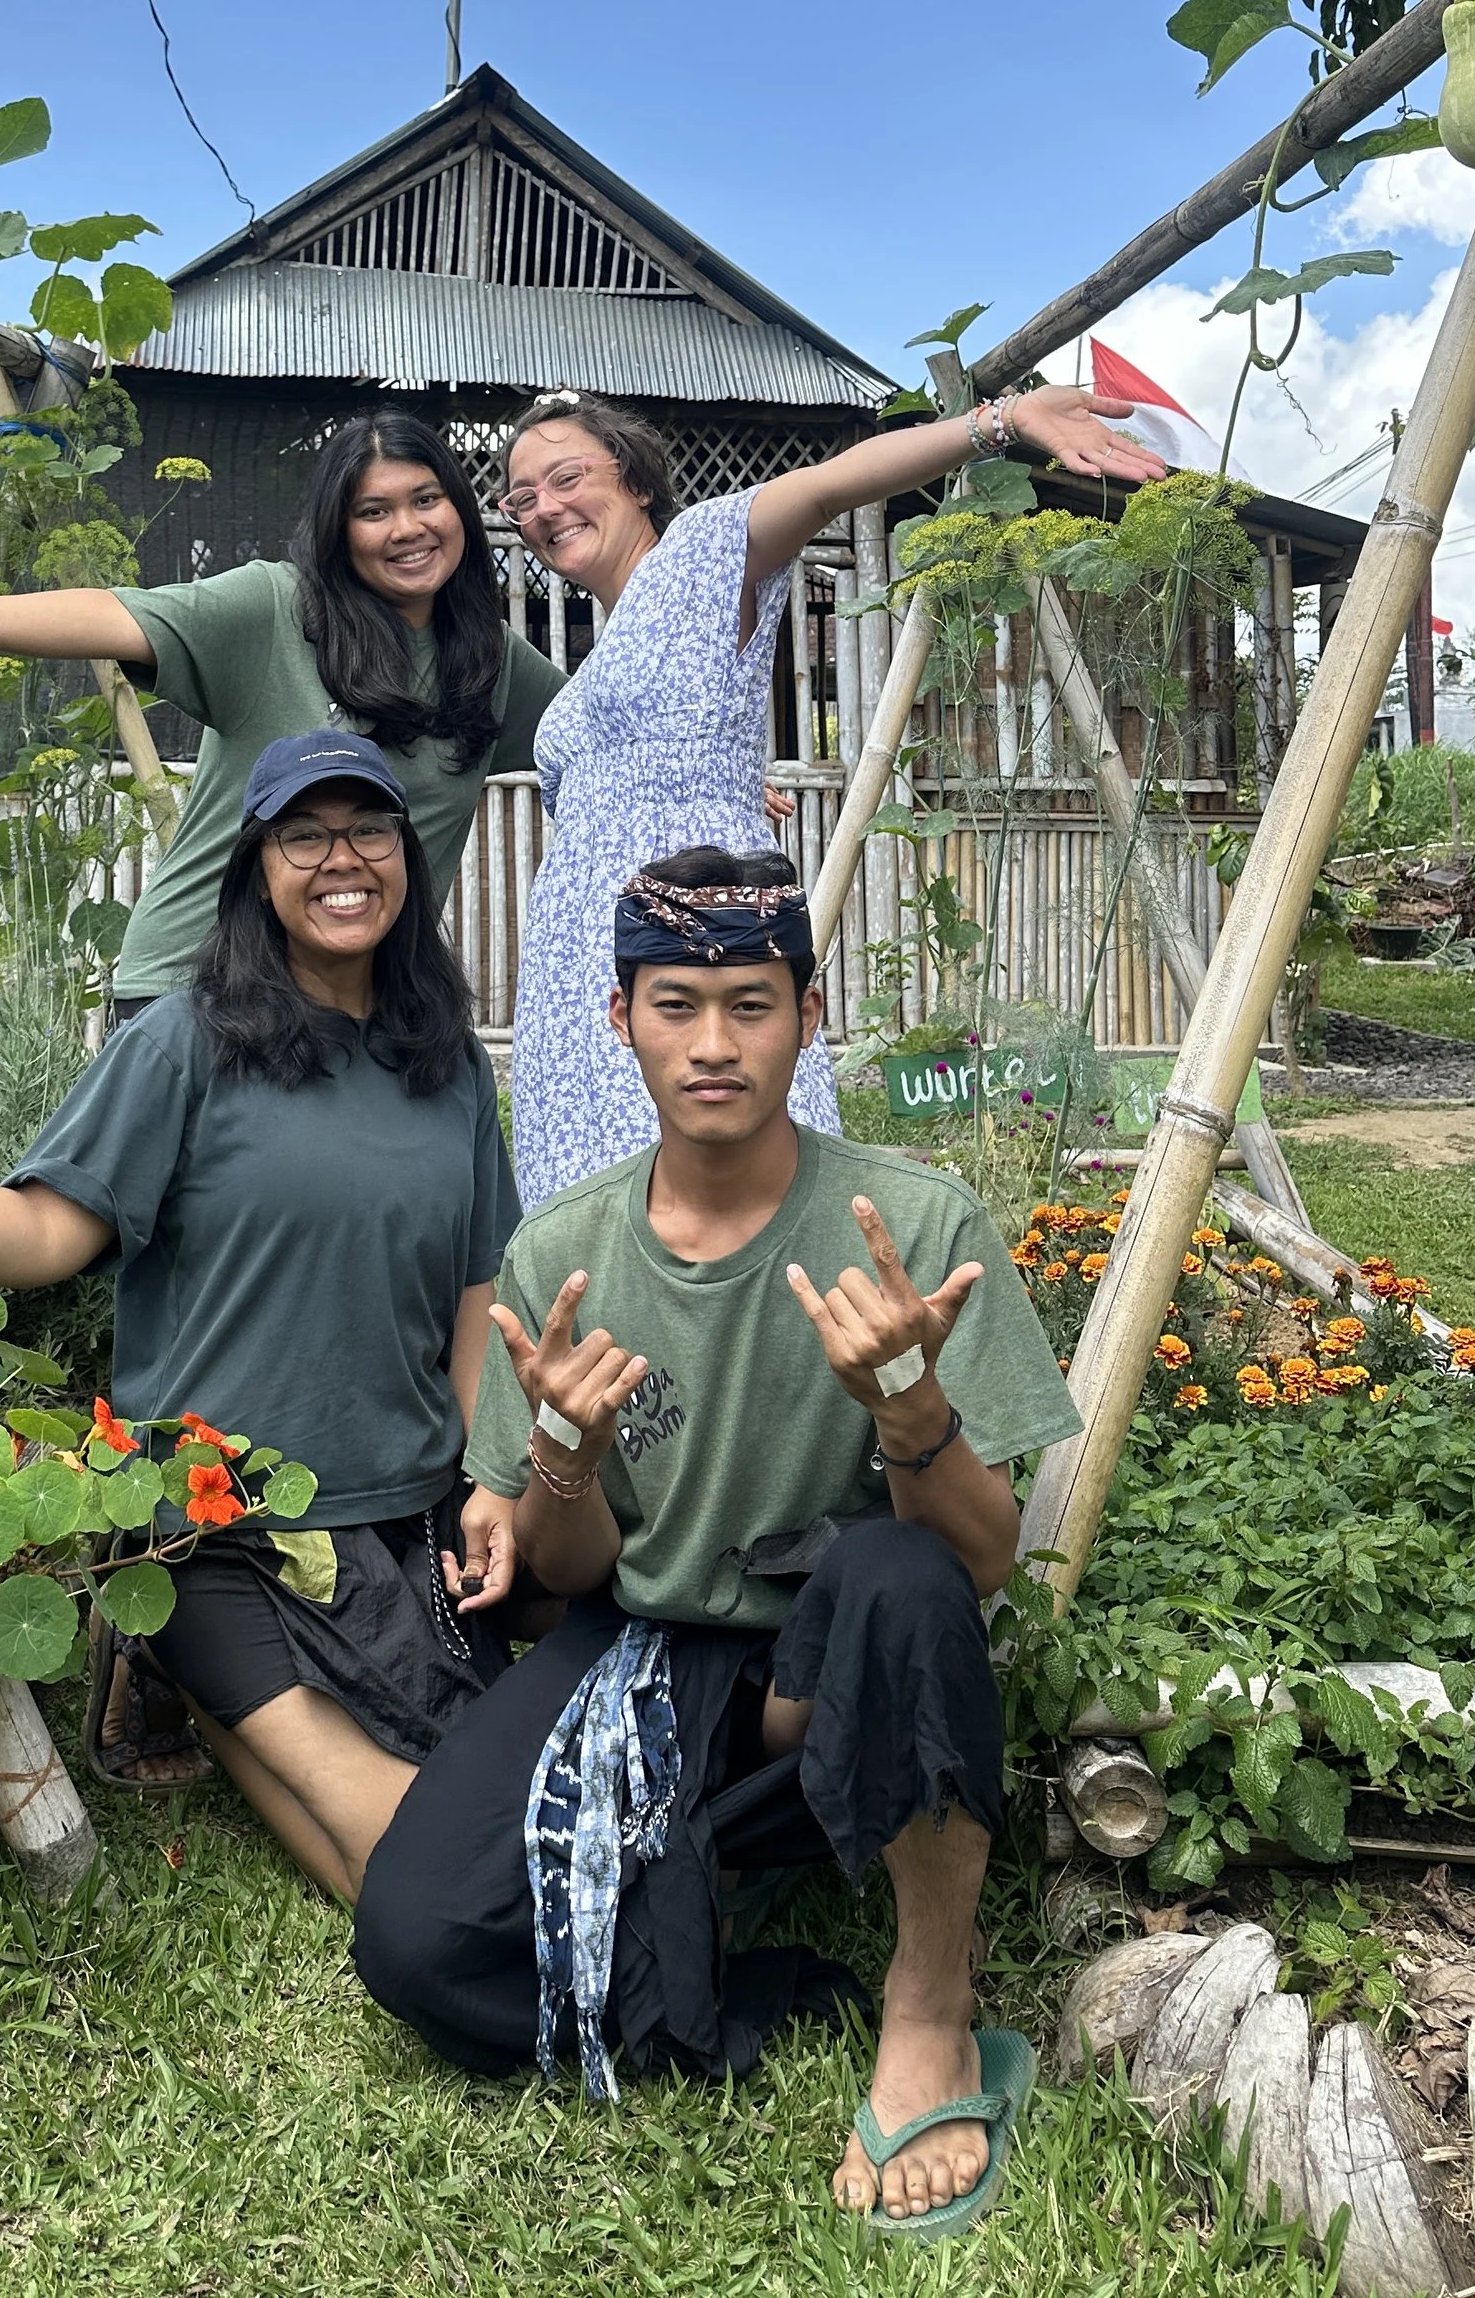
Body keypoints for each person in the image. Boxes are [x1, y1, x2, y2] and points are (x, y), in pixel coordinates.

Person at [352, 847, 1082, 2242]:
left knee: (904, 1567)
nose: (712, 1043)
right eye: (675, 1002)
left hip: (840, 1677)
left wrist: (908, 1405)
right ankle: (726, 1962)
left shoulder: (915, 1227)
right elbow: (570, 1576)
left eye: (750, 1003)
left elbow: (985, 1560)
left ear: (811, 1016)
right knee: (416, 1946)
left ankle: (930, 2005)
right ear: (616, 1018)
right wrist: (562, 1454)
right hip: (642, 1650)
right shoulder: (565, 1252)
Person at [0, 730, 522, 1903]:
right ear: (255, 868)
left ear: (408, 855)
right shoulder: (186, 1044)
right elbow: (41, 1234)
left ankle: (192, 1695)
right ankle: (181, 1662)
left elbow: (475, 1292)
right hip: (205, 1525)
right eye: (304, 834)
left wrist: (482, 1479)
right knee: (415, 1861)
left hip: (403, 1518)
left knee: (484, 1775)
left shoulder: (447, 1066)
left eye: (369, 830)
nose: (341, 859)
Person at [499, 382, 1166, 1206]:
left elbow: (829, 484)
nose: (544, 508)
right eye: (522, 497)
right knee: (593, 1221)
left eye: (566, 478)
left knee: (728, 1202)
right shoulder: (599, 659)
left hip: (694, 948)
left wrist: (993, 423)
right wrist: (738, 783)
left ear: (633, 477)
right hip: (578, 973)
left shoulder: (700, 551)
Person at [0, 411, 562, 1017]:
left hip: (364, 1002)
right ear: (340, 529)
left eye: (427, 499)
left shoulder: (488, 662)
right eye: (374, 510)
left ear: (461, 508)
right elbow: (113, 615)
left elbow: (616, 727)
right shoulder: (276, 609)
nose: (408, 527)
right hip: (202, 992)